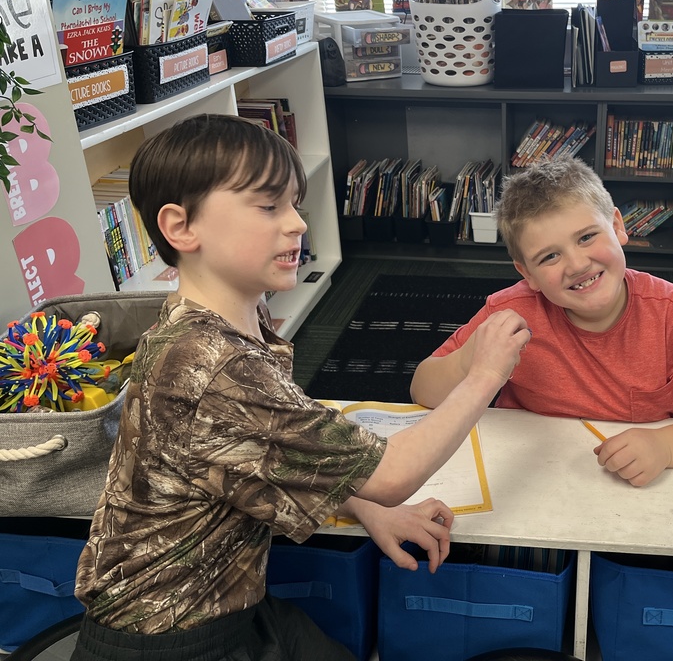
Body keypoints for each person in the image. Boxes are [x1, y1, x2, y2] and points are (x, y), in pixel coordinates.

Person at [71, 115, 530, 661]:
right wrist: (485, 376)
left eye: (293, 203)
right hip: (173, 639)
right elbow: (393, 474)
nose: (296, 223)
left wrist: (361, 503)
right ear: (181, 227)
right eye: (268, 206)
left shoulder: (212, 321)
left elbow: (267, 448)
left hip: (218, 603)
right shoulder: (213, 365)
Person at [410, 157, 673, 488]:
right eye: (549, 257)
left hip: (643, 484)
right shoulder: (508, 313)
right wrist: (470, 362)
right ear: (527, 274)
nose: (577, 265)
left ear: (618, 226)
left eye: (587, 237)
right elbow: (423, 390)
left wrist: (668, 445)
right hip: (529, 476)